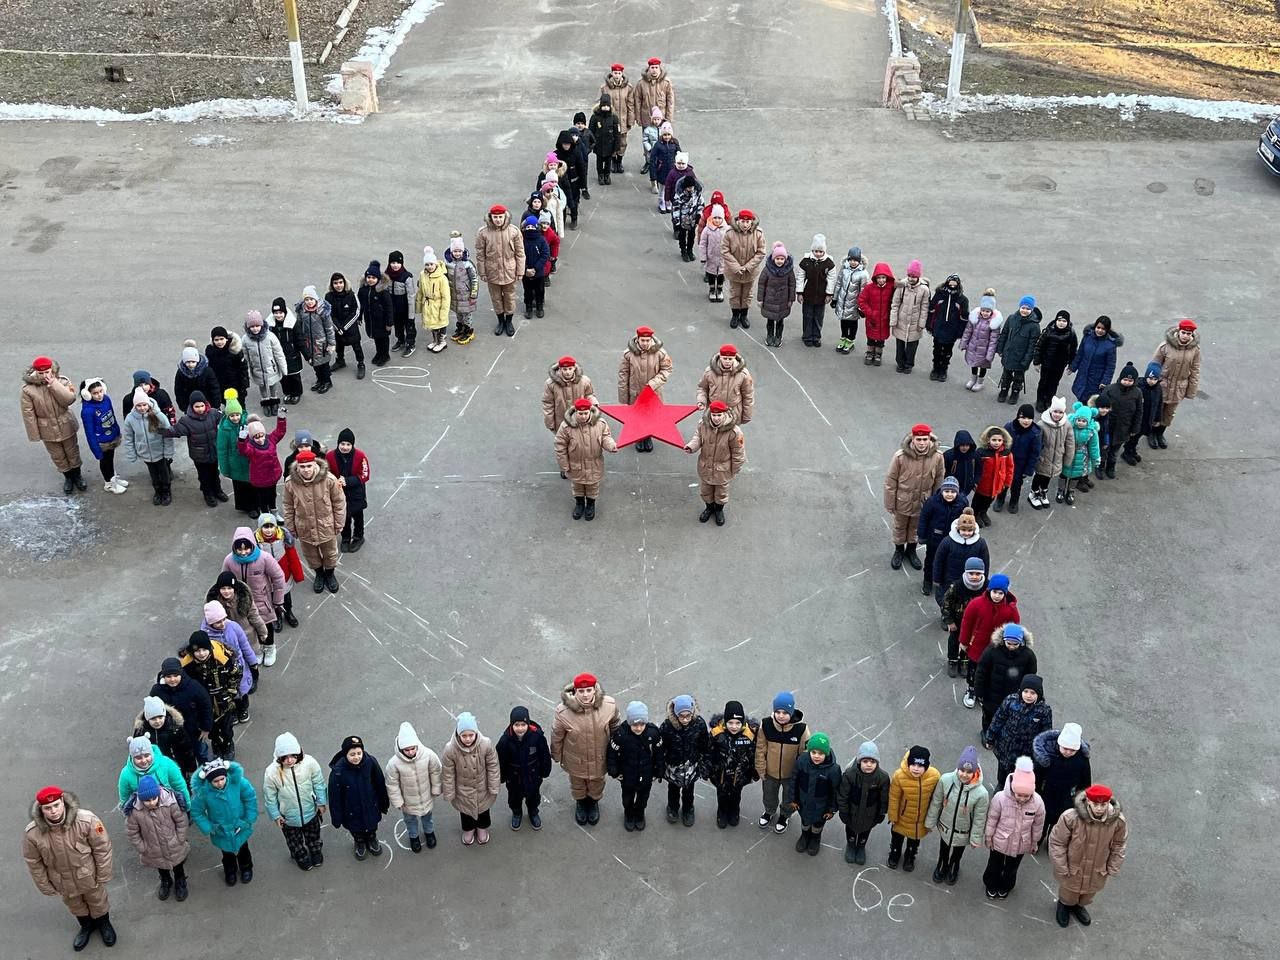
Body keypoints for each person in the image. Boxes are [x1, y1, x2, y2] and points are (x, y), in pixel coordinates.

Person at [23, 785, 116, 950]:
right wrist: (44, 885)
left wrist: (103, 874)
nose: (53, 811)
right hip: (62, 881)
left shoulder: (87, 820)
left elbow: (102, 848)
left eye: (56, 805)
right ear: (41, 810)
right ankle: (86, 926)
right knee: (75, 904)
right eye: (48, 808)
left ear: (63, 802)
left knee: (98, 901)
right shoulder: (32, 833)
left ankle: (104, 924)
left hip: (89, 875)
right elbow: (33, 862)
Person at [1049, 784, 1128, 927]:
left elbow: (1119, 844)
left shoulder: (1117, 822)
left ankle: (1079, 906)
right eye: (1095, 804)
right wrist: (1061, 866)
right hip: (1073, 867)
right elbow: (1057, 842)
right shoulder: (1070, 818)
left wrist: (1112, 866)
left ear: (1108, 802)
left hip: (1098, 868)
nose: (1099, 808)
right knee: (1069, 891)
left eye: (1103, 804)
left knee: (1089, 892)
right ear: (1088, 802)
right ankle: (1064, 905)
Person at [552, 672, 620, 826]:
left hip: (600, 757)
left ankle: (593, 801)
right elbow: (557, 735)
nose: (585, 695)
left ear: (594, 690)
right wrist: (556, 754)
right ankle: (581, 802)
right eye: (581, 691)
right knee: (577, 783)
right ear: (575, 691)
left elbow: (615, 725)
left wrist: (618, 750)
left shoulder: (609, 705)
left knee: (597, 782)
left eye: (589, 690)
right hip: (576, 759)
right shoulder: (563, 712)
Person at [883, 423, 945, 572]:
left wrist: (936, 503)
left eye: (925, 439)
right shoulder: (900, 457)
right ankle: (899, 550)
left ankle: (911, 550)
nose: (922, 443)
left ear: (930, 439)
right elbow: (890, 482)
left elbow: (939, 480)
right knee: (899, 527)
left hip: (924, 503)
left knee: (916, 529)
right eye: (919, 439)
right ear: (913, 439)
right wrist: (890, 503)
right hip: (902, 501)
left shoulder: (937, 457)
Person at [283, 448, 346, 594]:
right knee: (310, 554)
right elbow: (288, 505)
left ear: (315, 464)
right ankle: (319, 574)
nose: (306, 470)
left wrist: (339, 523)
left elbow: (339, 502)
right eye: (302, 467)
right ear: (297, 466)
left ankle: (329, 574)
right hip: (304, 527)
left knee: (330, 553)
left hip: (326, 526)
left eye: (309, 466)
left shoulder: (329, 479)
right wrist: (291, 527)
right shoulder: (290, 483)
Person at [924, 746, 990, 885]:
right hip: (945, 826)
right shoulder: (945, 780)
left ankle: (954, 865)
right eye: (962, 770)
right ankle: (942, 863)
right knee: (944, 848)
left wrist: (975, 838)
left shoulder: (981, 794)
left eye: (969, 772)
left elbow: (979, 818)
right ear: (957, 768)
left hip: (963, 830)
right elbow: (936, 802)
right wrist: (930, 823)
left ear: (975, 772)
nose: (964, 774)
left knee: (958, 851)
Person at [263, 732, 328, 870]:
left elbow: (318, 783)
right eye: (284, 757)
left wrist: (321, 802)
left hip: (311, 811)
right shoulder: (271, 772)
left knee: (314, 835)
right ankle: (300, 855)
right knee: (294, 840)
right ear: (278, 757)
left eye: (293, 755)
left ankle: (315, 850)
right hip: (288, 817)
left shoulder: (309, 763)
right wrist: (275, 815)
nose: (290, 760)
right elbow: (270, 796)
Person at [223, 526, 287, 665]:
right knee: (248, 628)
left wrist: (278, 599)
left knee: (266, 624)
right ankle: (257, 650)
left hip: (261, 600)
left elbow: (278, 577)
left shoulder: (264, 558)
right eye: (239, 549)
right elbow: (224, 580)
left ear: (252, 544)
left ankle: (269, 647)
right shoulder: (229, 560)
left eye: (246, 548)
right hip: (239, 602)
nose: (243, 552)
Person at [982, 757, 1045, 899]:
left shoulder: (1038, 803)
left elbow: (1038, 825)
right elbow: (992, 819)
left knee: (1011, 868)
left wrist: (1034, 842)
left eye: (1026, 795)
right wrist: (988, 836)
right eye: (1019, 795)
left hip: (1021, 843)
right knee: (994, 865)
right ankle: (991, 884)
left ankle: (1006, 886)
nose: (1022, 798)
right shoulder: (1000, 798)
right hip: (999, 840)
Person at [22, 356, 85, 494]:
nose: (45, 376)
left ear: (52, 370)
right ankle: (68, 478)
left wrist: (54, 384)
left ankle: (77, 476)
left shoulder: (63, 381)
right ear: (36, 372)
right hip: (46, 428)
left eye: (47, 372)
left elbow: (69, 400)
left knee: (72, 452)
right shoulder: (28, 389)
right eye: (41, 373)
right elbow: (28, 414)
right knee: (58, 456)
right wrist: (34, 434)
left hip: (65, 423)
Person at [190, 758, 257, 886]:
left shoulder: (238, 783)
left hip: (240, 825)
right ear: (209, 781)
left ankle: (246, 867)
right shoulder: (203, 793)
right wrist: (209, 827)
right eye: (215, 781)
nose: (220, 783)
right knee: (227, 854)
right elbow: (196, 811)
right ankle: (230, 871)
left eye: (222, 779)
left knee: (244, 849)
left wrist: (248, 818)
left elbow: (250, 797)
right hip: (220, 830)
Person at [124, 773, 190, 902]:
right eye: (147, 800)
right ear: (141, 799)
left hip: (173, 844)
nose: (151, 802)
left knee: (178, 865)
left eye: (154, 798)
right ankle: (166, 881)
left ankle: (180, 881)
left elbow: (181, 821)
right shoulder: (135, 812)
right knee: (160, 866)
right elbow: (132, 832)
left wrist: (180, 839)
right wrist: (143, 847)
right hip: (152, 848)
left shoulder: (170, 803)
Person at [178, 630, 242, 760]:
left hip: (223, 699)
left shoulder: (222, 658)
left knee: (226, 726)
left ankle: (228, 745)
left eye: (204, 649)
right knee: (210, 727)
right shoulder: (187, 665)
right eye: (197, 651)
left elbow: (235, 673)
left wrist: (230, 693)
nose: (201, 654)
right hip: (202, 704)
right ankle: (217, 745)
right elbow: (185, 684)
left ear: (209, 648)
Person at [959, 574, 1020, 708]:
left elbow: (1015, 628)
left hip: (996, 650)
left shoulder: (1010, 610)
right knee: (973, 671)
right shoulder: (976, 604)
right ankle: (971, 690)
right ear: (989, 590)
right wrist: (964, 641)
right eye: (994, 592)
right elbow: (967, 622)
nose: (997, 596)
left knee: (990, 673)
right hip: (976, 648)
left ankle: (983, 692)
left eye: (1000, 593)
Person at [554, 397, 618, 521]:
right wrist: (564, 466)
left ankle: (590, 505)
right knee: (577, 486)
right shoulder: (566, 426)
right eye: (580, 413)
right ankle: (579, 504)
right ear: (576, 412)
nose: (583, 416)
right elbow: (560, 445)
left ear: (590, 412)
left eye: (585, 413)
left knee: (592, 487)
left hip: (594, 463)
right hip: (575, 464)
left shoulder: (600, 424)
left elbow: (605, 437)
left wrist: (611, 446)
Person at [754, 691, 810, 834]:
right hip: (770, 772)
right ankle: (769, 811)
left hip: (790, 775)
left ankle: (785, 816)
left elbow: (805, 753)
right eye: (777, 712)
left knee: (788, 798)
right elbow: (760, 748)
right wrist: (761, 768)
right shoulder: (766, 724)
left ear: (791, 712)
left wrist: (800, 775)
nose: (781, 715)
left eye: (785, 712)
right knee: (769, 795)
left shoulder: (801, 729)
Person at [684, 400, 747, 526]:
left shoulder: (734, 432)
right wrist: (691, 446)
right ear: (710, 414)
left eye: (719, 415)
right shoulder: (703, 424)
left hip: (723, 470)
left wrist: (734, 470)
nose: (716, 418)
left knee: (721, 493)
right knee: (705, 491)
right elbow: (698, 437)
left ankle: (719, 510)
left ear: (724, 414)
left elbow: (738, 453)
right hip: (706, 466)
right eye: (714, 415)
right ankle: (709, 508)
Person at [442, 713, 501, 845]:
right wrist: (450, 792)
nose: (468, 739)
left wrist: (493, 786)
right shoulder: (450, 749)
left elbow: (493, 766)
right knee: (466, 812)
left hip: (482, 786)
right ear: (458, 734)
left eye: (471, 735)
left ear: (475, 733)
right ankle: (468, 829)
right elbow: (448, 773)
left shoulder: (486, 744)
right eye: (464, 736)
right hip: (463, 790)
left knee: (483, 811)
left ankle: (482, 828)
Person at [328, 734, 390, 860]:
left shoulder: (370, 762)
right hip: (351, 810)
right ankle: (359, 842)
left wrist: (384, 804)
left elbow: (379, 784)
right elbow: (334, 797)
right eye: (352, 754)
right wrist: (337, 818)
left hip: (370, 805)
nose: (356, 757)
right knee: (356, 830)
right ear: (345, 754)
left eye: (359, 753)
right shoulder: (338, 772)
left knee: (372, 826)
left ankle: (372, 839)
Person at [608, 701, 665, 832]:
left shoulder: (653, 733)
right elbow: (612, 754)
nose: (638, 728)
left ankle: (639, 814)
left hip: (646, 775)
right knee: (627, 799)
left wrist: (658, 771)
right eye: (634, 724)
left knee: (643, 798)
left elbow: (659, 754)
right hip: (627, 776)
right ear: (629, 722)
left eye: (642, 724)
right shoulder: (621, 735)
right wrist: (614, 771)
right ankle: (628, 814)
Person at [985, 674, 1053, 787]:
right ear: (1021, 690)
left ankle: (1014, 790)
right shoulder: (1010, 701)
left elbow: (1045, 734)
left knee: (1018, 774)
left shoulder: (1043, 711)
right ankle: (1001, 785)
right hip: (1005, 746)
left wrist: (1041, 754)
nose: (1028, 695)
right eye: (1026, 691)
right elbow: (998, 719)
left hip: (1025, 752)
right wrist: (990, 737)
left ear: (1039, 694)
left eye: (1033, 693)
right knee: (1002, 769)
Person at [385, 722, 442, 851]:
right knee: (410, 820)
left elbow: (436, 771)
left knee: (427, 817)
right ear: (400, 749)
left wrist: (436, 788)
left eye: (413, 748)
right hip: (408, 801)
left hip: (426, 796)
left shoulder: (428, 755)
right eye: (407, 750)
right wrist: (398, 801)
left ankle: (429, 832)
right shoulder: (393, 764)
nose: (411, 752)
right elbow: (392, 784)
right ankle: (413, 836)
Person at [201, 600, 259, 725]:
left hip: (238, 667)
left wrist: (253, 662)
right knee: (226, 694)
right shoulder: (205, 635)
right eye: (218, 622)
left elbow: (245, 646)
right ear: (210, 622)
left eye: (223, 619)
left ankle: (243, 708)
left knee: (242, 691)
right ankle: (231, 712)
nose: (222, 624)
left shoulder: (233, 627)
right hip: (220, 672)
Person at [165, 390, 226, 507]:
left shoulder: (213, 413)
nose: (200, 409)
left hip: (213, 451)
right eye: (197, 406)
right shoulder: (186, 421)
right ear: (192, 407)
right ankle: (208, 494)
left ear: (206, 404)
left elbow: (225, 418)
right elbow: (175, 431)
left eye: (202, 405)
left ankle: (217, 491)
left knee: (214, 473)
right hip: (199, 456)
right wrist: (161, 431)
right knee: (204, 476)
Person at [975, 627, 1039, 737]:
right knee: (989, 716)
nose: (1012, 647)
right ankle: (986, 734)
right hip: (992, 694)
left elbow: (1030, 677)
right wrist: (979, 691)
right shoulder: (992, 651)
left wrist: (1027, 694)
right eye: (1009, 643)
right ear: (1003, 640)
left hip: (1014, 695)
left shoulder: (1028, 656)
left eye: (1015, 644)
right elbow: (981, 671)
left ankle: (1001, 736)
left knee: (1009, 718)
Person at [617, 327, 673, 454]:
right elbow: (623, 374)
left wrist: (653, 383)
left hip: (653, 392)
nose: (645, 343)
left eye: (648, 340)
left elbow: (667, 369)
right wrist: (623, 395)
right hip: (635, 392)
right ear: (638, 339)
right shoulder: (628, 354)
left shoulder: (660, 353)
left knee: (650, 416)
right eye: (643, 340)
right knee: (637, 416)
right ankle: (639, 438)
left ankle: (648, 437)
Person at [1033, 722, 1092, 841]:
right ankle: (1037, 841)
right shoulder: (1047, 756)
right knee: (1041, 822)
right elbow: (1036, 777)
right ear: (1059, 743)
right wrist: (1036, 793)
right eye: (1065, 748)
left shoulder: (1082, 760)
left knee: (1059, 826)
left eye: (1072, 750)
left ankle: (1052, 843)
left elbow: (1085, 782)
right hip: (1046, 796)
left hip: (1066, 800)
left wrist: (1080, 800)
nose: (1068, 752)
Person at [495, 707, 551, 831]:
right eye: (516, 725)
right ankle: (517, 813)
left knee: (534, 797)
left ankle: (533, 812)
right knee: (514, 798)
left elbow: (544, 755)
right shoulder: (505, 741)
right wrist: (502, 777)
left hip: (533, 776)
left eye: (523, 724)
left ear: (528, 724)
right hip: (514, 779)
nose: (520, 728)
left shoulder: (537, 737)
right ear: (511, 725)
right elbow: (499, 761)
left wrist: (545, 771)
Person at [149, 656, 213, 766]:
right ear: (164, 676)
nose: (172, 679)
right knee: (180, 756)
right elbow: (151, 711)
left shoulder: (194, 687)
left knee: (201, 752)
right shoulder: (157, 691)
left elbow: (206, 707)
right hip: (172, 733)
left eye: (175, 675)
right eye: (168, 676)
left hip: (194, 731)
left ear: (181, 673)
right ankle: (187, 774)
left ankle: (206, 769)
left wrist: (206, 728)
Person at [704, 700, 757, 828]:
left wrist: (754, 772)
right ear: (725, 722)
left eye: (738, 723)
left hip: (739, 776)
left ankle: (734, 811)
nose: (734, 726)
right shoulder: (716, 734)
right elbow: (708, 752)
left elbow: (753, 755)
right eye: (730, 723)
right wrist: (707, 769)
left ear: (743, 722)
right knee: (721, 795)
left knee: (736, 795)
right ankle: (721, 812)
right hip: (720, 775)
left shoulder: (749, 736)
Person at [786, 732, 840, 856]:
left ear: (826, 753)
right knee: (805, 821)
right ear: (809, 751)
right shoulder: (802, 761)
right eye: (813, 752)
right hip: (803, 802)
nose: (816, 756)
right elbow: (794, 779)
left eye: (820, 753)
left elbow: (835, 791)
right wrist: (792, 799)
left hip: (821, 807)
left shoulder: (833, 769)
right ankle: (805, 836)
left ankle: (815, 838)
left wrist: (832, 809)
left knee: (818, 824)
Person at [836, 741, 890, 865]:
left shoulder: (882, 778)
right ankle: (851, 845)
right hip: (852, 813)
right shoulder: (850, 775)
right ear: (860, 761)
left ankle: (861, 846)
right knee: (850, 830)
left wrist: (882, 813)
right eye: (865, 761)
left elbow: (884, 797)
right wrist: (843, 811)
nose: (869, 765)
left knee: (866, 830)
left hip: (869, 815)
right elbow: (843, 795)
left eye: (873, 762)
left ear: (877, 763)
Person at [887, 746, 939, 872]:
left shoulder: (934, 776)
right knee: (897, 839)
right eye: (913, 764)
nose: (916, 768)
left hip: (919, 820)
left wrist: (931, 819)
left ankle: (910, 857)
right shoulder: (899, 776)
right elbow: (894, 798)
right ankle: (895, 853)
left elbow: (936, 799)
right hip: (901, 818)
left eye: (920, 766)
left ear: (926, 766)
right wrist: (893, 817)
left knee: (914, 842)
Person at [475, 205, 525, 337]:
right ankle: (500, 321)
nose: (498, 220)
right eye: (495, 217)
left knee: (510, 298)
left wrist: (520, 271)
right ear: (491, 217)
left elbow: (520, 253)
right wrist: (482, 272)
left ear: (505, 217)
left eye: (500, 217)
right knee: (496, 298)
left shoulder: (514, 232)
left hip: (510, 272)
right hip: (492, 272)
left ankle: (509, 322)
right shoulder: (483, 233)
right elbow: (480, 255)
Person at [659, 694, 708, 826]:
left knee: (689, 790)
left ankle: (688, 809)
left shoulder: (699, 724)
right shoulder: (667, 726)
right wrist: (660, 766)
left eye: (688, 716)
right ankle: (672, 807)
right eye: (682, 716)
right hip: (673, 765)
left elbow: (704, 744)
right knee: (673, 789)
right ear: (676, 714)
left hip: (691, 765)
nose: (685, 720)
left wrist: (703, 763)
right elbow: (661, 747)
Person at [1150, 318, 1201, 448]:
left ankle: (1160, 434)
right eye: (1184, 332)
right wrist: (1151, 384)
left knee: (1169, 413)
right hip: (1162, 385)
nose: (1185, 336)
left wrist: (1191, 390)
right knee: (1156, 411)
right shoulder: (1165, 347)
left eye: (1189, 334)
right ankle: (1151, 434)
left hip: (1179, 387)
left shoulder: (1195, 350)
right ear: (1179, 331)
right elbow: (1154, 366)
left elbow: (1195, 370)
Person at [918, 477, 971, 597]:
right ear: (942, 491)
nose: (949, 494)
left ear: (957, 492)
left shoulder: (962, 503)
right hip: (934, 540)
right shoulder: (932, 502)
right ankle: (928, 580)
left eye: (953, 492)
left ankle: (941, 582)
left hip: (952, 541)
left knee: (947, 562)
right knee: (931, 560)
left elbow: (965, 521)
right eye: (947, 491)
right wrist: (922, 535)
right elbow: (924, 518)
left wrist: (965, 536)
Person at [254, 513, 303, 640]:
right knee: (272, 600)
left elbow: (293, 557)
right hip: (267, 579)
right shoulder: (256, 544)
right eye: (265, 527)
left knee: (286, 597)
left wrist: (297, 575)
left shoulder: (284, 538)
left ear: (276, 527)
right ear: (260, 529)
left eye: (271, 526)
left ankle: (289, 613)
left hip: (283, 577)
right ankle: (277, 617)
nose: (269, 530)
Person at [123, 387, 176, 506]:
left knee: (164, 473)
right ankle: (158, 491)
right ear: (134, 406)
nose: (142, 408)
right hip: (145, 453)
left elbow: (168, 434)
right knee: (153, 474)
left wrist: (168, 452)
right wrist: (132, 453)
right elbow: (128, 438)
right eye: (139, 406)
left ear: (148, 404)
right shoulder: (130, 419)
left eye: (144, 405)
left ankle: (166, 491)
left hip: (160, 452)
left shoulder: (159, 416)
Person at [931, 506, 988, 606]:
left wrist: (984, 580)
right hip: (949, 579)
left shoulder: (981, 544)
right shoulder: (947, 541)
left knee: (967, 603)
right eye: (963, 530)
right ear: (958, 529)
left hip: (971, 580)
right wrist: (937, 578)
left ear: (974, 530)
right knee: (947, 601)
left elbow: (985, 563)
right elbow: (938, 560)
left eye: (969, 531)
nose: (966, 533)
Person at [132, 694, 198, 781]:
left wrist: (191, 769)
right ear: (147, 719)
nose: (157, 721)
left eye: (160, 717)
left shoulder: (175, 728)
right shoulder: (141, 731)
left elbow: (186, 750)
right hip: (152, 770)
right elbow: (135, 752)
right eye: (153, 719)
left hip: (175, 767)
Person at [544, 357, 597, 463]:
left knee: (579, 441)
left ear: (574, 368)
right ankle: (565, 465)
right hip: (561, 419)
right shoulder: (551, 384)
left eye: (570, 369)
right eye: (564, 369)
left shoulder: (584, 381)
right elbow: (548, 403)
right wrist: (549, 421)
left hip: (580, 417)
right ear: (560, 369)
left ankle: (579, 462)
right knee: (563, 444)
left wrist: (594, 403)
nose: (567, 372)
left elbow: (589, 394)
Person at [325, 428, 370, 553]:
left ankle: (358, 537)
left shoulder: (360, 456)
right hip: (339, 492)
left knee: (358, 516)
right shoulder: (330, 456)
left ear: (352, 445)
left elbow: (365, 475)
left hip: (356, 493)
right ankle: (345, 538)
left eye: (348, 444)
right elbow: (326, 473)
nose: (345, 447)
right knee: (343, 516)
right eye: (342, 444)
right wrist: (335, 481)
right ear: (338, 444)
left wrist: (348, 481)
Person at [79, 377, 126, 493]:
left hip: (112, 437)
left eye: (100, 391)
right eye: (95, 393)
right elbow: (89, 433)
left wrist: (116, 431)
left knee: (111, 459)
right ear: (87, 394)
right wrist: (96, 450)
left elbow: (112, 416)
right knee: (105, 462)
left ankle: (113, 477)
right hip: (101, 442)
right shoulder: (87, 411)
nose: (99, 395)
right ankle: (109, 483)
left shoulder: (106, 399)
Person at [237, 408, 288, 515]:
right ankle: (265, 515)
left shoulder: (271, 440)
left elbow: (280, 431)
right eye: (256, 437)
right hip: (260, 480)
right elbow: (243, 449)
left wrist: (281, 418)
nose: (260, 439)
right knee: (262, 499)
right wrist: (242, 439)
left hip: (272, 477)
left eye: (262, 435)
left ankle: (274, 512)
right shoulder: (251, 448)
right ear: (251, 438)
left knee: (272, 495)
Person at [1027, 396, 1075, 510]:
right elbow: (1036, 444)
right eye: (1055, 411)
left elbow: (1070, 442)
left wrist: (1068, 458)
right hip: (1043, 458)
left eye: (1060, 412)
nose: (1057, 415)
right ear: (1050, 411)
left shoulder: (1066, 425)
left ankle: (1043, 493)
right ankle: (1033, 493)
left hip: (1057, 458)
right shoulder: (1042, 424)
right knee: (1039, 476)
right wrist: (1035, 458)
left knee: (1048, 477)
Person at [118, 734, 190, 809]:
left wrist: (187, 805)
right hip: (144, 814)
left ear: (151, 753)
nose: (144, 760)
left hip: (169, 808)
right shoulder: (126, 774)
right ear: (132, 758)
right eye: (138, 758)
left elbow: (179, 786)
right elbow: (125, 798)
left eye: (147, 756)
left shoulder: (167, 763)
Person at [942, 557, 987, 675]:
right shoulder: (957, 586)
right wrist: (949, 621)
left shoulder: (986, 587)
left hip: (975, 624)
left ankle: (965, 661)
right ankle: (952, 660)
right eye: (971, 573)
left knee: (969, 642)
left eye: (978, 573)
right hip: (957, 621)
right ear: (966, 572)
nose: (974, 576)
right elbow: (946, 603)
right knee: (954, 641)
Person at [723, 209, 767, 330]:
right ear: (738, 221)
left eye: (748, 222)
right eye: (743, 221)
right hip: (734, 272)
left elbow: (761, 251)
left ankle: (744, 315)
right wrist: (736, 267)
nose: (745, 224)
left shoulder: (758, 233)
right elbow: (725, 251)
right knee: (734, 293)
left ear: (752, 222)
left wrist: (748, 267)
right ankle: (735, 315)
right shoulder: (729, 233)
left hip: (750, 272)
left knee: (747, 294)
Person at [206, 570, 266, 653]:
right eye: (223, 588)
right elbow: (209, 622)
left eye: (229, 588)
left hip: (247, 634)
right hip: (227, 638)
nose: (226, 591)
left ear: (234, 589)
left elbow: (254, 616)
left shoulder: (244, 599)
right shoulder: (214, 603)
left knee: (250, 653)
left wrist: (262, 631)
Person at [997, 404, 1042, 514]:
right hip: (1006, 462)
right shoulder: (1009, 427)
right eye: (1023, 418)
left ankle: (1014, 502)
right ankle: (1000, 499)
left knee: (1016, 485)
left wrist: (1028, 470)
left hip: (1021, 465)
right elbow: (1000, 443)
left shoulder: (1035, 434)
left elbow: (1035, 453)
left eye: (1029, 418)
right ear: (1018, 417)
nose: (1026, 421)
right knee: (1003, 482)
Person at [996, 296, 1042, 404]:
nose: (1024, 310)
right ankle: (1003, 390)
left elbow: (1032, 345)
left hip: (1021, 358)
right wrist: (1000, 348)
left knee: (1018, 378)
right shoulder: (1012, 318)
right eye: (1023, 308)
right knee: (1006, 375)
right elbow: (1004, 334)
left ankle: (1015, 392)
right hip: (1008, 354)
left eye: (1027, 309)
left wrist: (1027, 360)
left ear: (1031, 310)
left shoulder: (1034, 326)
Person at [216, 390, 255, 513]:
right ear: (228, 416)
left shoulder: (248, 423)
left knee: (253, 485)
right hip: (236, 464)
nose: (235, 418)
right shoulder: (224, 429)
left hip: (250, 461)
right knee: (240, 487)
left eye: (237, 415)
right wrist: (225, 468)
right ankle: (247, 507)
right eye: (232, 415)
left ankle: (256, 504)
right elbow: (222, 450)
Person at [243, 310, 289, 414]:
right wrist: (248, 371)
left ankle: (274, 400)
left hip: (271, 368)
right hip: (257, 369)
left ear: (261, 325)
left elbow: (278, 353)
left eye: (257, 326)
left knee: (273, 384)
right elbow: (245, 357)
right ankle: (265, 402)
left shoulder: (270, 336)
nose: (255, 329)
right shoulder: (245, 340)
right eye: (252, 326)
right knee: (262, 386)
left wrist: (283, 368)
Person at [695, 344, 754, 424]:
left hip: (733, 413)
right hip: (713, 413)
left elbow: (748, 395)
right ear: (720, 357)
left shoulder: (743, 374)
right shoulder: (709, 372)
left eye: (730, 359)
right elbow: (702, 388)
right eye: (725, 358)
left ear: (734, 358)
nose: (727, 361)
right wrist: (701, 401)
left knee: (730, 435)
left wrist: (747, 415)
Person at [1101, 363, 1144, 473]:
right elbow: (1101, 407)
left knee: (1115, 451)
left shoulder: (1137, 393)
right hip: (1108, 427)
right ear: (1120, 378)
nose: (1127, 382)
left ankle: (1111, 467)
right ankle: (1100, 466)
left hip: (1124, 428)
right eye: (1125, 379)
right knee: (1104, 448)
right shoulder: (1110, 389)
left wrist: (1135, 428)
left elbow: (1139, 412)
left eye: (1130, 381)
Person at [1069, 315, 1122, 403]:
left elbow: (1110, 366)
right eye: (1098, 327)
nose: (1100, 330)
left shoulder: (1110, 346)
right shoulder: (1087, 337)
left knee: (1091, 402)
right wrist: (1073, 367)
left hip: (1096, 379)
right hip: (1083, 374)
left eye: (1103, 329)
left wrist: (1105, 381)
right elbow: (1080, 353)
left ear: (1107, 330)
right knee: (1080, 397)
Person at [889, 259, 930, 372]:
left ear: (918, 276)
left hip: (915, 322)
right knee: (900, 344)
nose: (911, 278)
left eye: (914, 276)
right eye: (909, 276)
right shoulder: (901, 286)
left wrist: (922, 323)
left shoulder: (924, 289)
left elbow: (924, 307)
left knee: (912, 345)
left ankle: (909, 364)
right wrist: (893, 320)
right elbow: (895, 304)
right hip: (901, 321)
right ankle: (900, 363)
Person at [1032, 309, 1077, 412]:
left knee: (1054, 383)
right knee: (1043, 382)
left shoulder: (1071, 334)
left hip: (1060, 365)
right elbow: (1039, 346)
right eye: (1059, 320)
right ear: (1056, 320)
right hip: (1047, 363)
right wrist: (1036, 362)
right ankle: (1040, 400)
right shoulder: (1048, 331)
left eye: (1064, 321)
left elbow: (1073, 350)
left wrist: (1071, 365)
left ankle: (1049, 399)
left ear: (1068, 322)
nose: (1061, 323)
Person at [796, 235, 836, 348]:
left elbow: (831, 280)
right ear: (812, 250)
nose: (818, 253)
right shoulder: (806, 262)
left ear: (824, 251)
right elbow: (800, 277)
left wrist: (829, 294)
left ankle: (816, 336)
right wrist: (799, 292)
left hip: (821, 296)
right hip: (808, 294)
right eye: (816, 251)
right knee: (807, 316)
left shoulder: (829, 263)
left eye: (820, 251)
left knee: (818, 317)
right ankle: (807, 336)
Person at [958, 289, 1003, 391]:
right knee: (973, 363)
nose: (985, 313)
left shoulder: (993, 323)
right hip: (973, 346)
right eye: (983, 311)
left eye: (987, 311)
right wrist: (964, 343)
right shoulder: (974, 318)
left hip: (984, 350)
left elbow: (993, 340)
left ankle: (980, 382)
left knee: (983, 366)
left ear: (991, 311)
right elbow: (968, 332)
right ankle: (973, 379)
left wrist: (990, 354)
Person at [927, 274, 969, 381]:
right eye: (951, 283)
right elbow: (931, 311)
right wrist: (930, 326)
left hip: (952, 331)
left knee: (947, 352)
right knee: (936, 350)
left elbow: (964, 318)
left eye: (955, 283)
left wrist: (960, 332)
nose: (952, 285)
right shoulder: (939, 295)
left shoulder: (962, 299)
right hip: (938, 328)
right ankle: (935, 369)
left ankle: (943, 369)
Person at [295, 286, 336, 393]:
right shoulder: (301, 311)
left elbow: (329, 328)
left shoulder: (322, 311)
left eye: (311, 299)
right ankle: (320, 380)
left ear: (316, 299)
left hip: (321, 343)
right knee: (314, 363)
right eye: (306, 299)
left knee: (324, 364)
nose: (309, 302)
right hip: (309, 342)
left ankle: (327, 381)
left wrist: (331, 343)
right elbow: (298, 325)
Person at [971, 425, 1013, 526]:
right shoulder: (981, 452)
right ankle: (975, 515)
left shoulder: (1006, 453)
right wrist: (973, 481)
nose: (997, 442)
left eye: (999, 440)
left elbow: (1009, 468)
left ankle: (983, 512)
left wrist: (1007, 483)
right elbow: (974, 467)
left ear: (1003, 440)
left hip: (997, 485)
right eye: (994, 440)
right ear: (988, 440)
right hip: (982, 485)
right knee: (977, 501)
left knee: (988, 501)